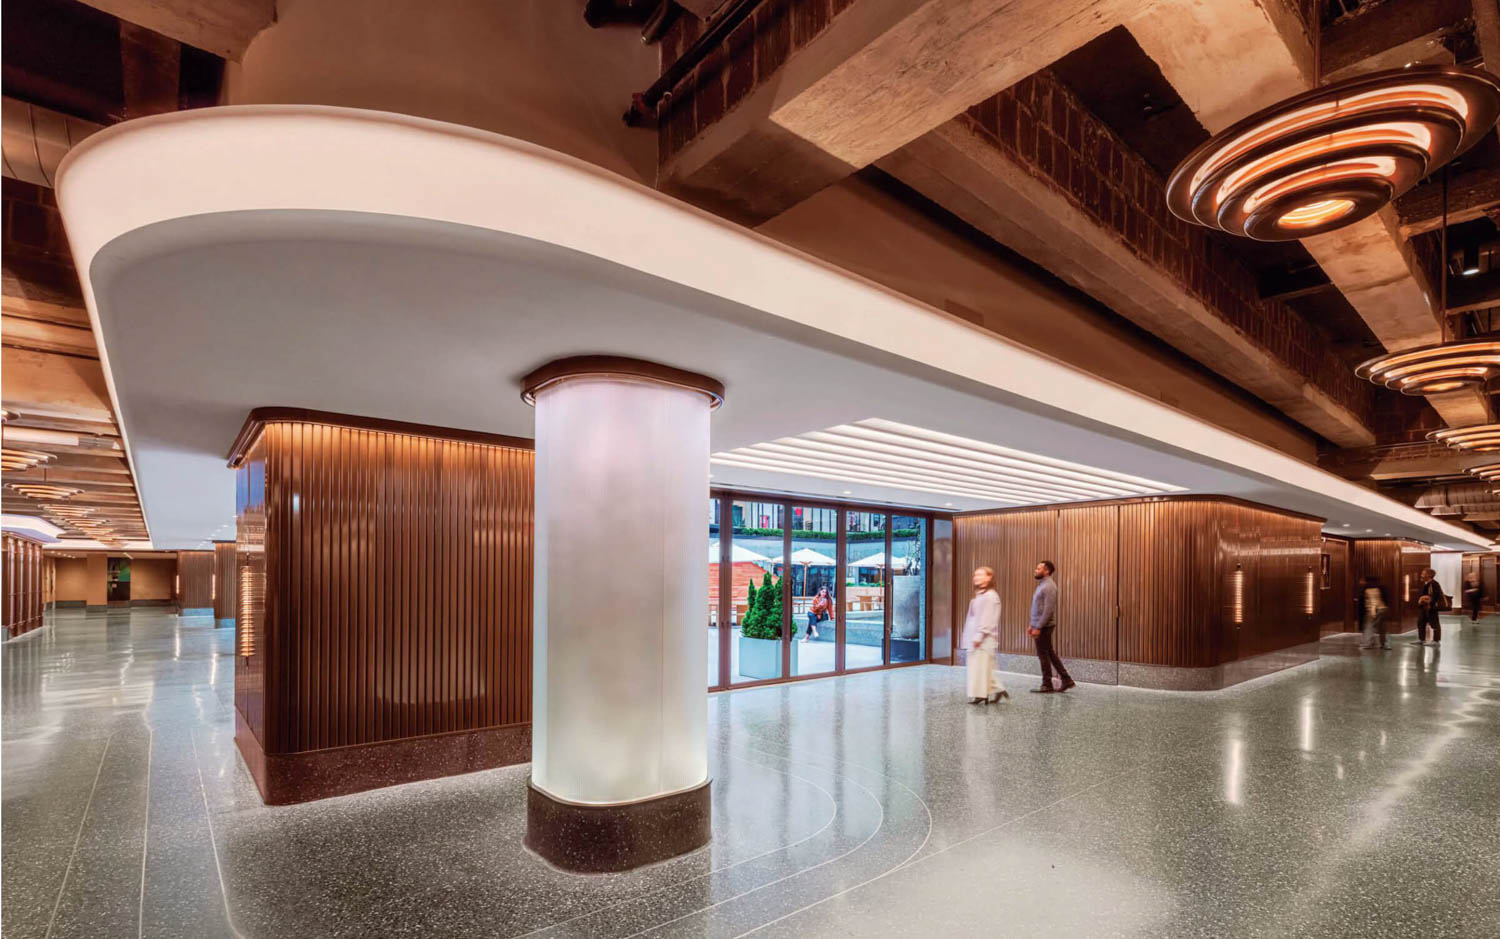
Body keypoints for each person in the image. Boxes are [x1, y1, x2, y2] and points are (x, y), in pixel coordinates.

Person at [961, 566, 1008, 704]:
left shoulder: (990, 596)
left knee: (980, 668)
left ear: (989, 577)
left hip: (983, 638)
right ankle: (992, 690)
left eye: (980, 575)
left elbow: (987, 619)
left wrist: (979, 636)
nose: (976, 577)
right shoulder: (980, 594)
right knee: (978, 667)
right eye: (975, 575)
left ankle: (983, 694)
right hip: (975, 636)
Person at [1028, 560, 1074, 693]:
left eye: (1038, 568)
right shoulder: (1042, 585)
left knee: (1043, 655)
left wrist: (1038, 627)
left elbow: (1048, 610)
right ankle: (1066, 680)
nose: (1035, 570)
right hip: (1040, 625)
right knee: (1049, 654)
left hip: (1044, 627)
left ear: (1046, 571)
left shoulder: (1049, 586)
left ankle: (1047, 684)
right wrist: (1032, 624)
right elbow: (1038, 608)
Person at [1356, 574, 1390, 650]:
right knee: (1383, 628)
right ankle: (1385, 644)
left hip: (1373, 610)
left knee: (1369, 627)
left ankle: (1367, 643)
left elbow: (1372, 602)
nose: (1361, 582)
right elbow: (1386, 599)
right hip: (1383, 609)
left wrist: (1372, 612)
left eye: (1363, 580)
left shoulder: (1367, 590)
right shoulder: (1381, 588)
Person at [1415, 568, 1445, 646]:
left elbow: (1434, 596)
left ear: (1428, 575)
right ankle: (1421, 639)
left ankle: (1436, 641)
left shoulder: (1434, 584)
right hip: (1424, 608)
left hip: (1431, 608)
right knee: (1421, 623)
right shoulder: (1426, 584)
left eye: (1423, 573)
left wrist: (1423, 599)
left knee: (1434, 623)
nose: (1421, 575)